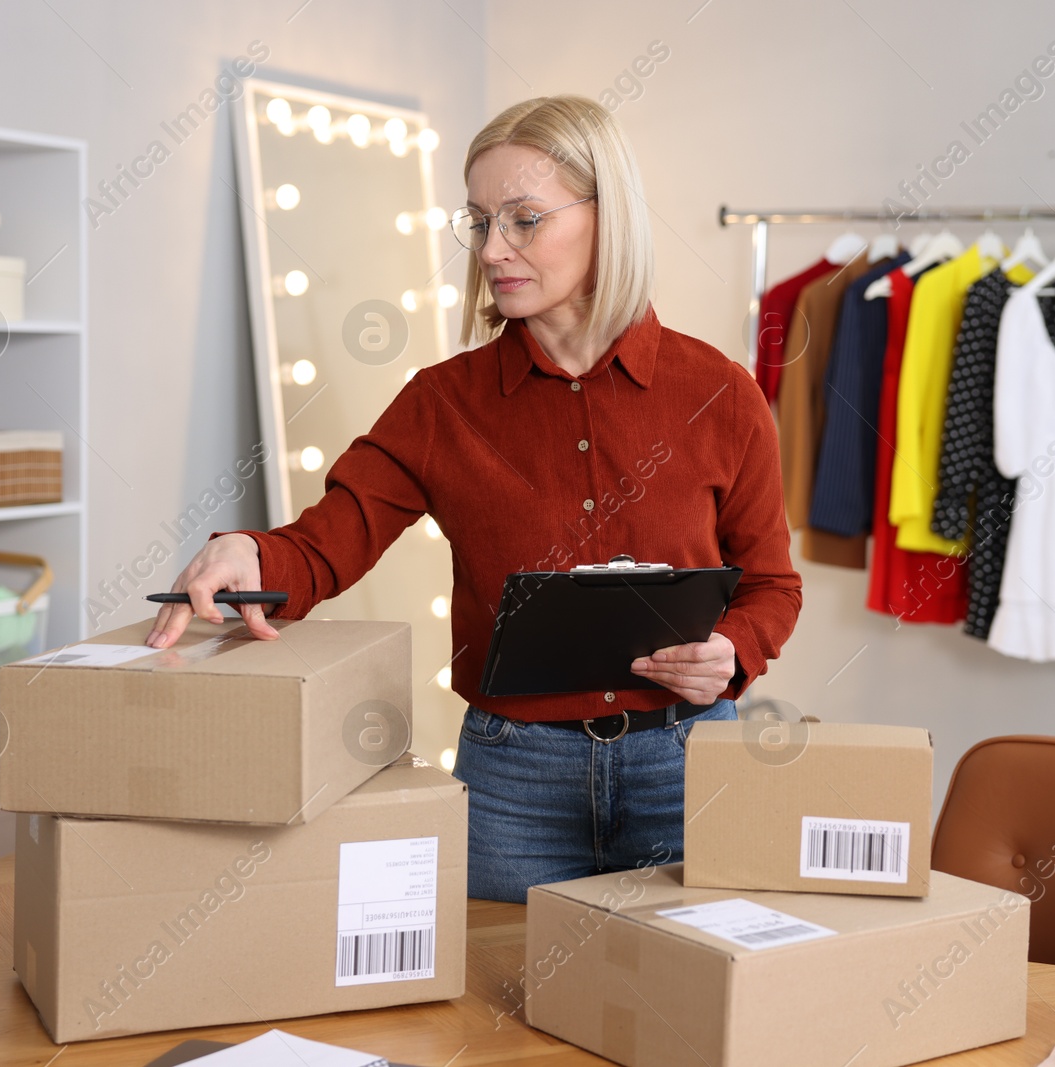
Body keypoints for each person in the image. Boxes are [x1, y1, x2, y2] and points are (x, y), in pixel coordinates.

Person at [146, 95, 800, 903]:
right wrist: (249, 550)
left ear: (609, 216)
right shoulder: (441, 404)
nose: (492, 249)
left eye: (524, 219)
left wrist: (733, 651)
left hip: (686, 765)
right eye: (479, 220)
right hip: (512, 781)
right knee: (494, 1016)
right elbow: (326, 544)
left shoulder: (721, 395)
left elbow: (772, 583)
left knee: (677, 1007)